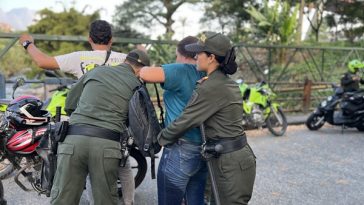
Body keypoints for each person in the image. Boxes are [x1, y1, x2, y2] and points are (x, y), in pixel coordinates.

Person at [19, 20, 135, 205]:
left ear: (89, 38)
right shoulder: (126, 60)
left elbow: (42, 62)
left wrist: (28, 43)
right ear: (111, 39)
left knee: (80, 175)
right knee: (121, 165)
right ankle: (128, 202)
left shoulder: (79, 57)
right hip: (113, 129)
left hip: (80, 127)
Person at [157, 32, 256, 205]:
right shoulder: (221, 82)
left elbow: (185, 120)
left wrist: (160, 139)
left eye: (199, 53)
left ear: (211, 58)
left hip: (229, 162)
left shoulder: (210, 86)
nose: (195, 57)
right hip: (234, 157)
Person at [50, 49, 150, 205]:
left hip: (74, 140)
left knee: (63, 199)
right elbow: (137, 122)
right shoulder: (137, 85)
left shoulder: (96, 71)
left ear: (125, 60)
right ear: (141, 69)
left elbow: (70, 103)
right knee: (105, 200)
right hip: (107, 146)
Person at [139, 36, 208, 205]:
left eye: (177, 55)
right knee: (196, 199)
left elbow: (144, 73)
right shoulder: (209, 73)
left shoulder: (182, 69)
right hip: (204, 147)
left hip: (181, 147)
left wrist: (141, 54)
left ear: (184, 55)